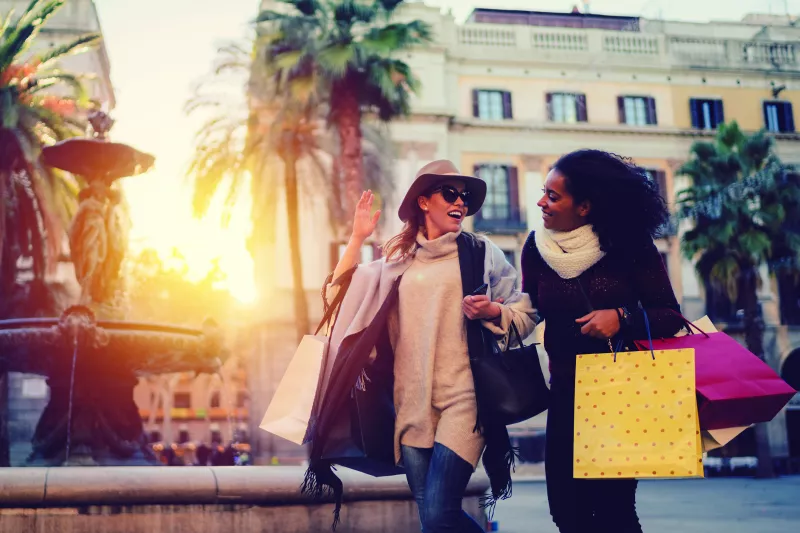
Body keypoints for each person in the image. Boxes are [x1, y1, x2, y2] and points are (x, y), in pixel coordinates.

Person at [306, 160, 536, 532]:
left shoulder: (481, 253)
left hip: (466, 401)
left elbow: (524, 315)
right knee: (431, 519)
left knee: (439, 513)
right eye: (450, 193)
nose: (459, 201)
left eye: (463, 196)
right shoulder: (397, 262)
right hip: (410, 408)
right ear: (424, 202)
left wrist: (493, 310)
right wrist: (356, 239)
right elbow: (337, 295)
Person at [521, 149, 686, 533]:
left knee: (615, 514)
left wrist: (622, 318)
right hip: (563, 394)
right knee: (566, 513)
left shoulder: (629, 245)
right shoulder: (536, 247)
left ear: (585, 207)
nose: (541, 202)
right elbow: (531, 308)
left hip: (616, 395)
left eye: (553, 196)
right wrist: (496, 312)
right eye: (544, 191)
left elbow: (670, 315)